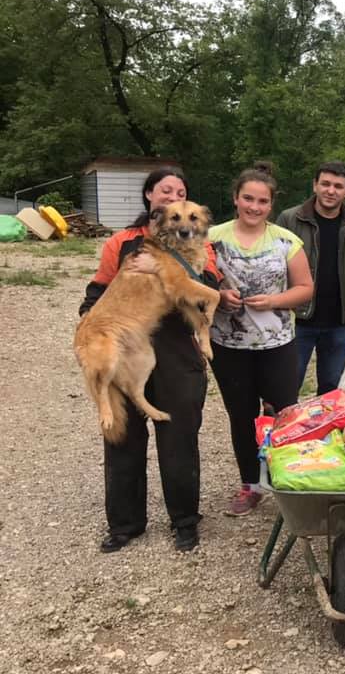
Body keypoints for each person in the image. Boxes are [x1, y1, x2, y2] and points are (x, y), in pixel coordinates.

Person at [79, 167, 221, 553]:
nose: (173, 197)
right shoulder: (122, 242)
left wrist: (163, 269)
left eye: (181, 192)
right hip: (127, 345)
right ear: (150, 198)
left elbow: (208, 289)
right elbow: (99, 291)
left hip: (176, 348)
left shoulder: (198, 245)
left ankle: (185, 522)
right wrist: (90, 332)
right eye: (165, 191)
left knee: (179, 439)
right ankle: (125, 524)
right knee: (122, 439)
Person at [209, 164, 314, 516]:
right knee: (241, 416)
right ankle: (250, 485)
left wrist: (273, 301)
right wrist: (219, 295)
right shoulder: (212, 238)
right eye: (248, 199)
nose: (254, 207)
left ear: (271, 205)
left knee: (284, 415)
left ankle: (288, 482)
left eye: (262, 201)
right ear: (235, 198)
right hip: (227, 344)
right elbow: (194, 282)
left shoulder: (286, 241)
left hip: (277, 344)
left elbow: (305, 289)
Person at [276, 161, 345, 395]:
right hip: (296, 320)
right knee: (284, 387)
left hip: (338, 323)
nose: (331, 191)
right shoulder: (290, 220)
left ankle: (324, 433)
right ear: (315, 186)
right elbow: (273, 272)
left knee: (331, 391)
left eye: (338, 186)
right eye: (325, 184)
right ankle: (277, 431)